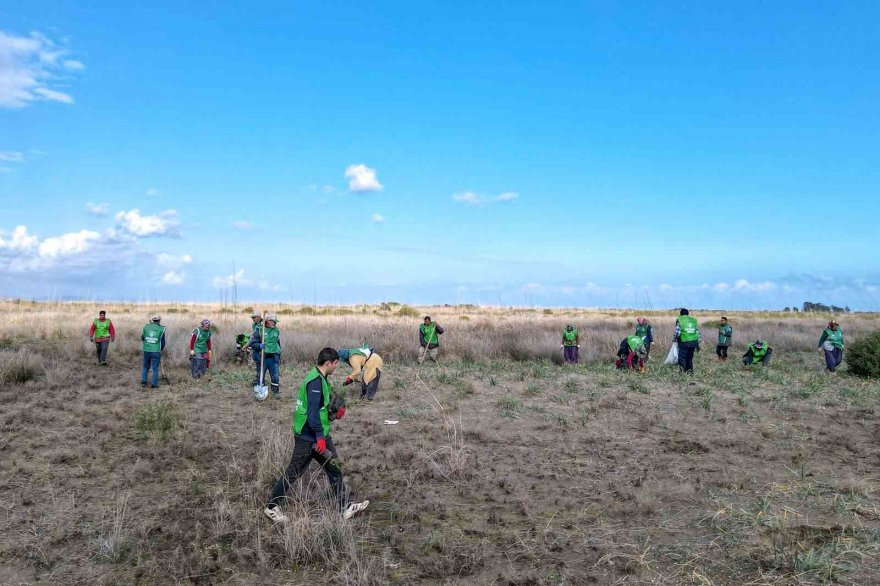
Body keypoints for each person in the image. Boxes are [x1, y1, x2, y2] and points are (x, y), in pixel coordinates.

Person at [263, 348, 369, 523]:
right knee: (293, 472)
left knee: (334, 468)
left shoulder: (321, 378)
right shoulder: (315, 382)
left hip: (319, 435)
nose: (336, 367)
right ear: (329, 363)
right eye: (335, 364)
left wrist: (333, 414)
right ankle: (272, 508)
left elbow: (319, 410)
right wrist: (319, 437)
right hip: (308, 437)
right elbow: (312, 413)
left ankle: (346, 507)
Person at [250, 313, 282, 399]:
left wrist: (279, 355)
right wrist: (259, 346)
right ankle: (261, 392)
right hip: (263, 357)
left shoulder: (276, 331)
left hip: (273, 357)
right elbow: (252, 343)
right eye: (273, 321)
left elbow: (278, 344)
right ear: (267, 321)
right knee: (261, 375)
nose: (275, 323)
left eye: (275, 322)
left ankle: (275, 392)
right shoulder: (260, 330)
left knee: (275, 375)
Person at [140, 314, 166, 388]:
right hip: (156, 351)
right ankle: (154, 384)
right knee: (155, 367)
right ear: (159, 320)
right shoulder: (161, 329)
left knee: (145, 366)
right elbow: (163, 343)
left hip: (146, 350)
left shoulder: (146, 327)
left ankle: (143, 382)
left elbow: (142, 338)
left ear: (153, 320)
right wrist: (160, 350)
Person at [673, 308, 701, 374]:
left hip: (684, 342)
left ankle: (682, 373)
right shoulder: (693, 320)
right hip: (694, 342)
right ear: (688, 313)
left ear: (681, 314)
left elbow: (678, 332)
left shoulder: (680, 319)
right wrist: (698, 341)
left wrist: (674, 339)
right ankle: (690, 373)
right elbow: (697, 331)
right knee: (689, 358)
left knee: (682, 358)